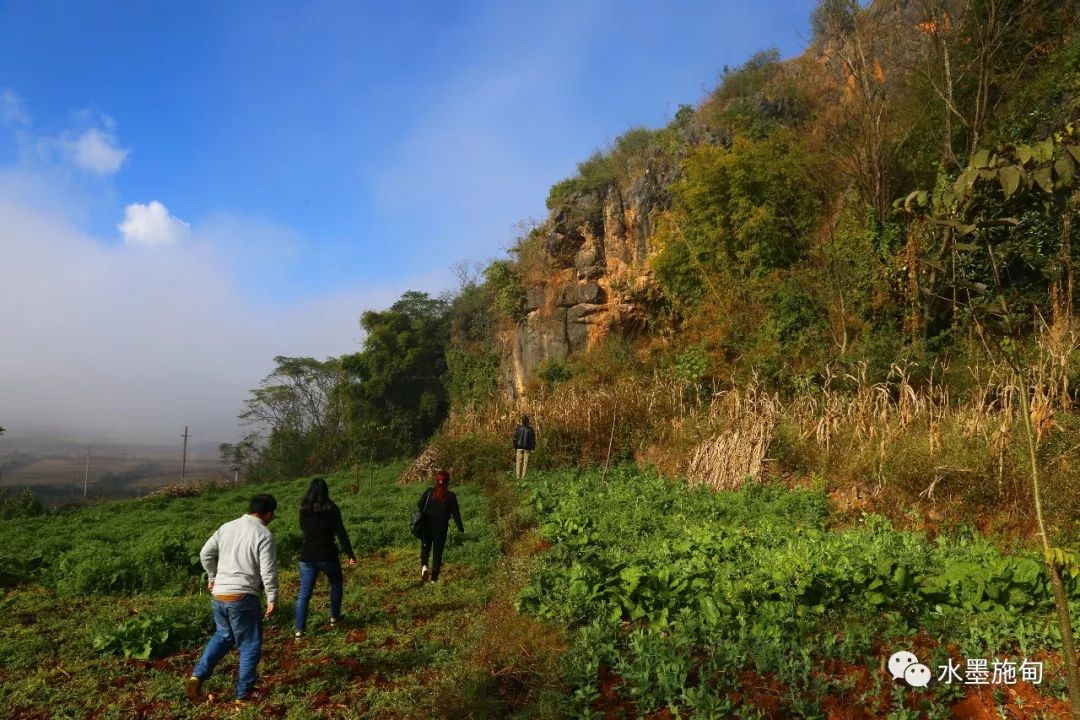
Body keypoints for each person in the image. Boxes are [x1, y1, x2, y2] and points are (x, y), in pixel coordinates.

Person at [185, 494, 279, 706]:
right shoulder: (263, 534)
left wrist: (213, 577)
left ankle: (197, 676)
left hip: (219, 594)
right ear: (269, 513)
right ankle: (243, 694)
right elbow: (268, 570)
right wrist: (272, 597)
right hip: (243, 597)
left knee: (223, 635)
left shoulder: (227, 527)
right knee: (249, 645)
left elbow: (205, 553)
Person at [294, 477, 357, 638]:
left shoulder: (304, 509)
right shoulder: (332, 509)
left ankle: (299, 629)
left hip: (307, 555)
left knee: (304, 593)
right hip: (328, 555)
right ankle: (335, 618)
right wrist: (349, 553)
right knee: (335, 584)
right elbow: (341, 533)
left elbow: (303, 528)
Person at [418, 470, 464, 583]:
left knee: (425, 547)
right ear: (448, 482)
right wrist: (460, 528)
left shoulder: (429, 492)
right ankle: (434, 579)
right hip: (441, 528)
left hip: (426, 525)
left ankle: (424, 567)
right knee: (437, 553)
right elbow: (456, 514)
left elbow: (419, 504)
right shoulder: (451, 496)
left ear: (436, 481)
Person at [513, 415, 536, 480]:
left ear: (522, 421)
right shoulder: (530, 429)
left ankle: (517, 477)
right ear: (527, 421)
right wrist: (532, 448)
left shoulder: (518, 429)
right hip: (527, 448)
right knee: (525, 463)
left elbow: (514, 439)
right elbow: (532, 440)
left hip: (519, 448)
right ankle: (523, 478)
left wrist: (515, 447)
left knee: (518, 462)